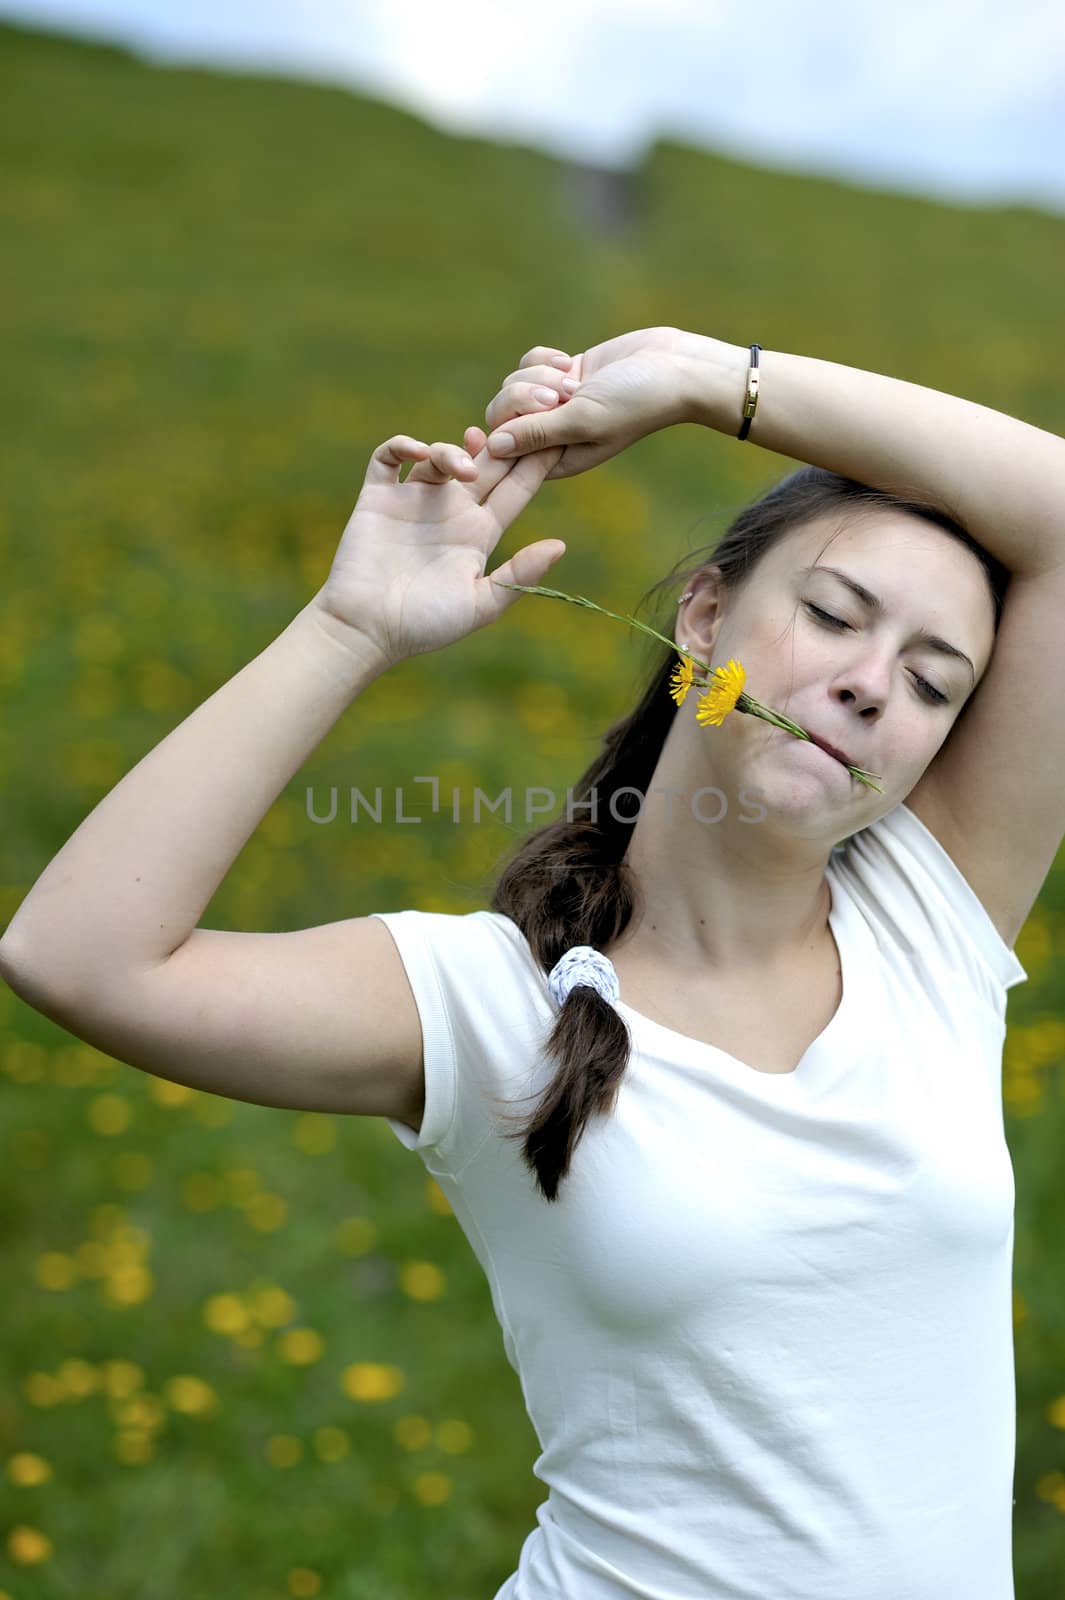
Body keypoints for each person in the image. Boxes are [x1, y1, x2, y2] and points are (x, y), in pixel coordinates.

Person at [2, 328, 1064, 1599]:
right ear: (706, 612)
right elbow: (77, 957)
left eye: (932, 682)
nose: (869, 686)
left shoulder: (927, 928)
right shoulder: (490, 1004)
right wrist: (352, 624)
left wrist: (700, 376)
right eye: (834, 615)